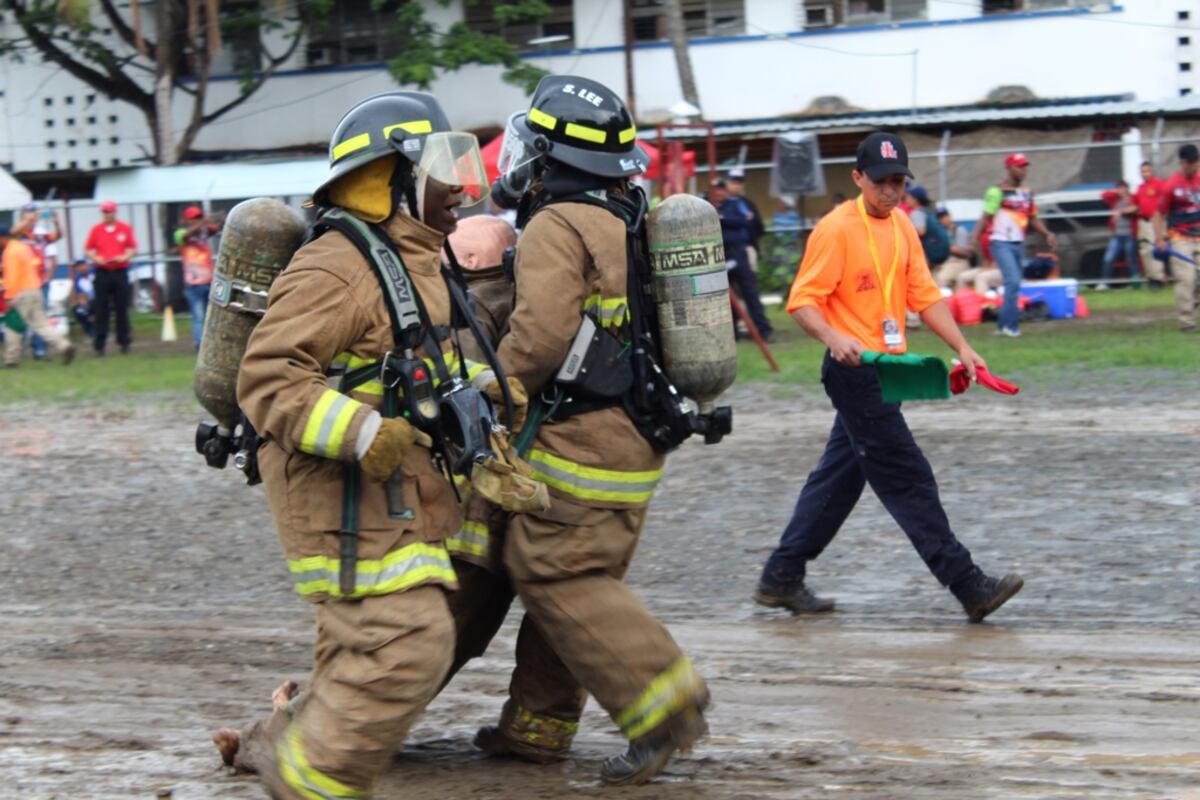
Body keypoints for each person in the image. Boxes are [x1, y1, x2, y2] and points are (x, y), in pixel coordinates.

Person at [236, 91, 514, 799]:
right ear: (389, 179)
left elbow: (430, 363)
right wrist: (363, 431)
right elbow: (267, 378)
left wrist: (484, 400)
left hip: (401, 498)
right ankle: (305, 784)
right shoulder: (336, 266)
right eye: (440, 169)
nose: (458, 188)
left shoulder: (414, 261)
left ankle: (268, 748)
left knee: (355, 653)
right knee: (406, 647)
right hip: (341, 502)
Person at [486, 74, 710, 785]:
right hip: (633, 435)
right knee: (577, 571)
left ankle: (665, 707)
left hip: (583, 438)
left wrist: (490, 394)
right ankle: (538, 725)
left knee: (555, 570)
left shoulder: (556, 222)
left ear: (550, 156)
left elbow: (541, 337)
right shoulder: (624, 213)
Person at [753, 131, 1023, 624]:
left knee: (838, 480)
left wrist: (962, 346)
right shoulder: (835, 230)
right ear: (858, 179)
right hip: (854, 373)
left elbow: (926, 296)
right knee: (908, 477)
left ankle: (781, 577)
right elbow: (802, 302)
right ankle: (968, 584)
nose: (891, 191)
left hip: (887, 372)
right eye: (881, 182)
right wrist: (834, 338)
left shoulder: (902, 226)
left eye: (898, 181)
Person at [972, 153, 1057, 337]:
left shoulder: (1026, 193)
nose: (1023, 170)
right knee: (1012, 281)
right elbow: (986, 217)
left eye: (1025, 166)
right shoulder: (997, 191)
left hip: (1018, 243)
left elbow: (1032, 217)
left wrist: (1047, 233)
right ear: (1009, 168)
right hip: (1000, 242)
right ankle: (1012, 326)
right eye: (1019, 166)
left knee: (1015, 284)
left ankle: (1002, 326)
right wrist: (974, 238)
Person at [1, 225, 74, 367]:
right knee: (41, 325)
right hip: (36, 288)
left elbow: (12, 276)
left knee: (13, 326)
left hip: (21, 292)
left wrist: (9, 297)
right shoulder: (24, 247)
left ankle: (11, 360)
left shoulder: (9, 252)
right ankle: (64, 346)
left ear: (2, 238)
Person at [713, 178, 774, 341]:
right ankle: (733, 332)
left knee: (750, 292)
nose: (719, 192)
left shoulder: (736, 204)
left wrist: (722, 218)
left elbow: (744, 221)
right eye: (716, 190)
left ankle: (763, 330)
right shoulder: (710, 207)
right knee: (725, 296)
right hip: (721, 254)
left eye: (721, 189)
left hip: (738, 252)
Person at [1153, 143, 1200, 331]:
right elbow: (1158, 214)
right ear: (1182, 163)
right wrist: (1160, 239)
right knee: (1186, 278)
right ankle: (1186, 321)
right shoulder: (1171, 185)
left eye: (1197, 163)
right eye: (1191, 163)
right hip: (1180, 237)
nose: (1195, 167)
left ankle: (1191, 302)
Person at [84, 200, 137, 355]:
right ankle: (100, 344)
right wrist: (96, 258)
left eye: (109, 211)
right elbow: (88, 249)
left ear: (115, 212)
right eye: (104, 212)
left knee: (121, 307)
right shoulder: (96, 230)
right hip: (102, 272)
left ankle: (124, 341)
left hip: (120, 271)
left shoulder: (124, 228)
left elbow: (133, 248)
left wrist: (123, 257)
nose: (107, 215)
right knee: (101, 309)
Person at [174, 204, 221, 348]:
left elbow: (216, 229)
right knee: (198, 315)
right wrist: (203, 222)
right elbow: (185, 236)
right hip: (193, 283)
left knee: (209, 315)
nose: (197, 220)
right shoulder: (180, 233)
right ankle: (199, 343)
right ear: (186, 220)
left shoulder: (203, 232)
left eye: (198, 217)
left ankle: (209, 342)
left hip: (208, 280)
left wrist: (222, 219)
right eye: (194, 218)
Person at [1097, 180, 1140, 291]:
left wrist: (1121, 211)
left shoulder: (1133, 198)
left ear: (1127, 188)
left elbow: (1136, 208)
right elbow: (1103, 195)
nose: (1122, 190)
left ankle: (1135, 283)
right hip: (1116, 235)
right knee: (1109, 257)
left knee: (1131, 259)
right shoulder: (1114, 199)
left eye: (1123, 187)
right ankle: (1105, 283)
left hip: (1129, 234)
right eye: (1119, 188)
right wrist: (1115, 192)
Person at [1134, 161, 1168, 287]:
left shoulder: (1158, 184)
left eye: (1147, 171)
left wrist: (1163, 219)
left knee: (1155, 248)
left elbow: (1165, 202)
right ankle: (1150, 276)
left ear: (1152, 171)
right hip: (1143, 221)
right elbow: (1136, 203)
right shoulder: (1141, 188)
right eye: (1143, 171)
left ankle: (1158, 278)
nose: (1145, 174)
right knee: (1144, 250)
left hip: (1155, 222)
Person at [933, 207, 972, 289]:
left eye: (944, 217)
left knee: (941, 278)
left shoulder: (959, 230)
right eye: (939, 218)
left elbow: (965, 252)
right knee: (933, 278)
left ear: (949, 216)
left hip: (959, 261)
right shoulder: (941, 232)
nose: (942, 220)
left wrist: (949, 248)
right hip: (945, 262)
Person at [69, 257, 95, 337]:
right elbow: (81, 295)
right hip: (89, 301)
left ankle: (103, 331)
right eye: (78, 266)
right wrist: (80, 303)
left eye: (82, 265)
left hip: (102, 300)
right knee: (78, 310)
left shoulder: (95, 273)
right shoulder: (78, 279)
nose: (80, 268)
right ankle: (91, 331)